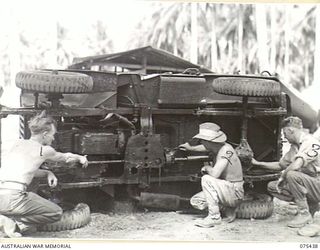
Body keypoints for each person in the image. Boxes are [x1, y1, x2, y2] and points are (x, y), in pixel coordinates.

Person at [0, 110, 88, 237]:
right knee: (56, 212)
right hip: (13, 198)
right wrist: (80, 158)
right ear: (45, 134)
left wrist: (47, 172)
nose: (53, 138)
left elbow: (23, 171)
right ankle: (14, 223)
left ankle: (5, 217)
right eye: (52, 135)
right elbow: (66, 157)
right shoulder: (43, 150)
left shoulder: (13, 144)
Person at [252, 116, 320, 228]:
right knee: (273, 187)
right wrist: (257, 163)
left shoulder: (311, 142)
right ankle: (311, 205)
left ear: (291, 130)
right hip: (311, 184)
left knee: (291, 175)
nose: (284, 136)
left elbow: (297, 164)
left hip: (318, 183)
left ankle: (304, 213)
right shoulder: (295, 147)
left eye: (285, 132)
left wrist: (283, 177)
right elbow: (280, 165)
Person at [179, 122, 244, 228]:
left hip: (234, 192)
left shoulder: (226, 151)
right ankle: (228, 210)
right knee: (197, 201)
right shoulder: (219, 147)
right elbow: (205, 147)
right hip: (227, 189)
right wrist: (191, 148)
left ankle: (214, 217)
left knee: (207, 179)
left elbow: (215, 174)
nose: (202, 143)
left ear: (210, 141)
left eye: (203, 141)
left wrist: (206, 168)